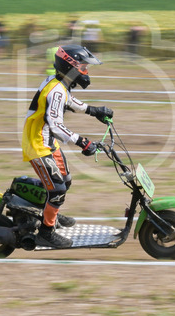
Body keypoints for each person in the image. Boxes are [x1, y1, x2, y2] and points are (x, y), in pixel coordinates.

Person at [22, 45, 113, 248]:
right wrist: (83, 142)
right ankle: (46, 232)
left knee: (65, 181)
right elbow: (56, 126)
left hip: (46, 141)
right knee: (57, 190)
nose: (86, 72)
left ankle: (50, 212)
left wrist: (94, 110)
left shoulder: (59, 84)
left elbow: (69, 101)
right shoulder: (56, 90)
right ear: (71, 67)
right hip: (37, 144)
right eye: (83, 67)